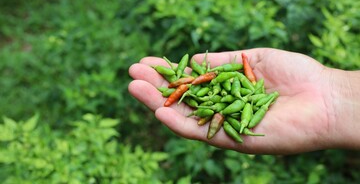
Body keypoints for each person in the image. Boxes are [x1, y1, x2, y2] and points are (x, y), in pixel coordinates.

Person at [128, 48, 360, 154]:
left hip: (242, 98)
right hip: (233, 97)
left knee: (192, 95)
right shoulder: (212, 86)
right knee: (181, 93)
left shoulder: (241, 90)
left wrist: (331, 95)